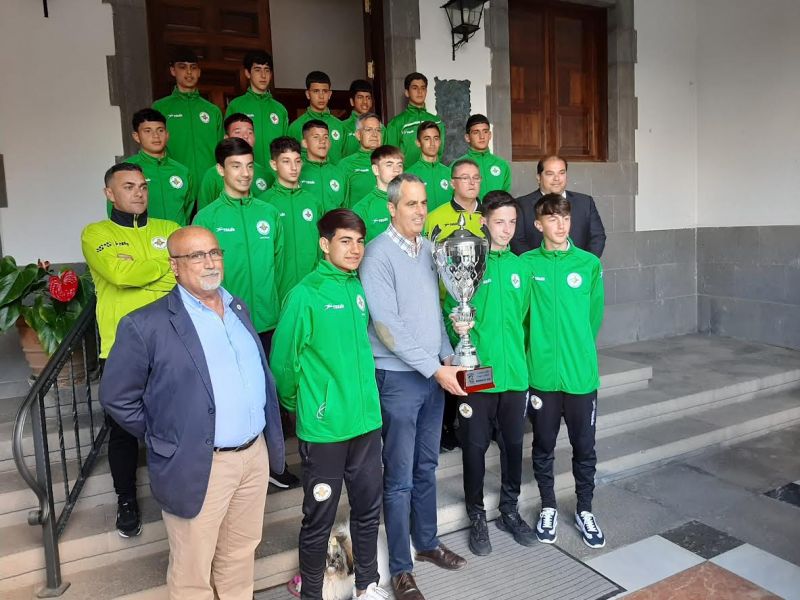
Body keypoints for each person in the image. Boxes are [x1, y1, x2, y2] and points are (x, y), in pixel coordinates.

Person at [99, 225, 286, 600]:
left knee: (240, 553)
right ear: (174, 266)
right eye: (197, 256)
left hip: (252, 456)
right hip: (199, 462)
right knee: (192, 571)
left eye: (214, 253)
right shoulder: (145, 324)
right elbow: (117, 397)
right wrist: (164, 435)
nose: (209, 262)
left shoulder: (237, 307)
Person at [359, 173, 468, 600]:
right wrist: (433, 368)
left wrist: (447, 357)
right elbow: (387, 326)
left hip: (431, 377)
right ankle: (401, 569)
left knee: (426, 468)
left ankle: (427, 544)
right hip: (398, 379)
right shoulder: (377, 254)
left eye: (423, 203)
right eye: (410, 204)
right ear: (391, 207)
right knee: (400, 477)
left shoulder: (428, 251)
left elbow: (436, 314)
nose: (420, 211)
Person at [271, 209, 387, 600]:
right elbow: (284, 364)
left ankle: (368, 585)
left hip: (366, 423)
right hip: (325, 429)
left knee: (368, 511)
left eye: (359, 241)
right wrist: (305, 404)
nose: (355, 249)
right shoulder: (305, 295)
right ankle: (313, 595)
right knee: (318, 519)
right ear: (324, 244)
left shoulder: (358, 289)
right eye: (345, 241)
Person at [81, 162, 179, 538]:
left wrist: (140, 270)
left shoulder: (169, 229)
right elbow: (119, 276)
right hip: (120, 348)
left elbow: (182, 274)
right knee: (122, 433)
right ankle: (126, 501)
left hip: (170, 342)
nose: (138, 192)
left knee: (173, 424)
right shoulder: (95, 233)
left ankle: (176, 497)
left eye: (142, 186)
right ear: (110, 193)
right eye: (128, 186)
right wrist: (162, 268)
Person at [442, 191, 536, 556]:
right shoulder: (468, 266)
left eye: (513, 222)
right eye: (500, 221)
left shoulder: (521, 268)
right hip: (478, 376)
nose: (507, 229)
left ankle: (509, 510)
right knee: (475, 448)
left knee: (514, 445)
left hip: (514, 376)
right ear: (484, 222)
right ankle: (477, 514)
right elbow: (454, 321)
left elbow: (525, 322)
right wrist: (458, 329)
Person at [520, 193, 606, 549]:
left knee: (584, 446)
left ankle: (585, 509)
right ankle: (549, 506)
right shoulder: (526, 264)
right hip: (542, 377)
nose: (560, 225)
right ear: (538, 224)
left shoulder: (588, 264)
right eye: (552, 219)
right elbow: (522, 319)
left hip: (580, 376)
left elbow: (593, 316)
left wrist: (577, 350)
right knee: (543, 446)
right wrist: (534, 357)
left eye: (565, 218)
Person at [261, 136, 323, 301]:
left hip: (312, 285)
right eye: (286, 161)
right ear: (274, 164)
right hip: (279, 289)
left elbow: (322, 245)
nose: (294, 167)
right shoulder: (264, 203)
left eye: (297, 161)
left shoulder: (313, 201)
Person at [152, 47, 223, 189]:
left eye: (193, 67)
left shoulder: (213, 111)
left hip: (209, 185)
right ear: (173, 71)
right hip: (174, 183)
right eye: (182, 67)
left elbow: (222, 151)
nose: (189, 72)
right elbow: (152, 149)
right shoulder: (160, 108)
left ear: (199, 72)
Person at [511, 155, 606, 257]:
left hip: (578, 270)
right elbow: (517, 241)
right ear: (539, 178)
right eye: (550, 174)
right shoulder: (521, 205)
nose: (556, 178)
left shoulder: (585, 202)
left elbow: (597, 237)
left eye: (561, 173)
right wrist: (537, 268)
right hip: (538, 271)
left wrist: (584, 265)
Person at [115, 108, 194, 225]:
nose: (156, 136)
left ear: (167, 135)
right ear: (136, 136)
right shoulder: (124, 170)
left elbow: (187, 210)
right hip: (141, 240)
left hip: (177, 239)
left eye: (160, 130)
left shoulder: (182, 171)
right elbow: (116, 211)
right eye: (147, 131)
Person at [197, 113, 275, 210]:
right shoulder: (212, 175)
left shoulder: (265, 174)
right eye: (238, 132)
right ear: (226, 138)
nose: (245, 136)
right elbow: (203, 213)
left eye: (250, 132)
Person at [225, 50, 289, 166]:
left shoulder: (280, 109)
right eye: (257, 70)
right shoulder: (236, 105)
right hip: (246, 174)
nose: (263, 75)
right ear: (247, 73)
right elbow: (228, 145)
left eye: (267, 70)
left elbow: (285, 148)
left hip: (275, 175)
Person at [385, 73, 445, 167]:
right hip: (406, 178)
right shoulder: (396, 123)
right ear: (407, 92)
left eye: (423, 88)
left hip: (430, 176)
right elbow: (390, 155)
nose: (420, 91)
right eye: (415, 88)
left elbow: (440, 152)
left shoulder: (437, 122)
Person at [287, 71, 345, 164]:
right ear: (307, 94)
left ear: (330, 94)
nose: (321, 96)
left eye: (325, 91)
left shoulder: (340, 126)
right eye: (316, 91)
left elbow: (345, 161)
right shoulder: (295, 127)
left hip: (335, 178)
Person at [351, 145, 403, 243]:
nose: (397, 170)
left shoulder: (413, 201)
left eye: (399, 165)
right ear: (376, 170)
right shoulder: (361, 209)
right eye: (389, 164)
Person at [425, 158, 484, 241]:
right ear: (452, 184)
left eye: (476, 178)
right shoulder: (434, 218)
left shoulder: (490, 215)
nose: (472, 182)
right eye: (465, 178)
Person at [456, 114, 511, 198]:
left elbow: (506, 198)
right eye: (476, 132)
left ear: (490, 135)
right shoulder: (457, 166)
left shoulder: (502, 165)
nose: (482, 137)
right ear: (467, 137)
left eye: (485, 132)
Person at [299, 119, 346, 212]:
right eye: (316, 137)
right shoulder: (297, 172)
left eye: (325, 137)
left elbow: (345, 207)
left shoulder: (339, 173)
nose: (322, 141)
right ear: (304, 143)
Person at [338, 112, 384, 207]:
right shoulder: (346, 164)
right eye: (368, 130)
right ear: (358, 135)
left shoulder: (391, 162)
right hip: (357, 220)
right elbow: (340, 203)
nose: (375, 134)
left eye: (378, 130)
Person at [405, 121, 451, 212]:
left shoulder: (450, 173)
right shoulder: (408, 176)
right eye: (427, 139)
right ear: (418, 143)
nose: (432, 143)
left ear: (440, 141)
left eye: (436, 138)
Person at [341, 79, 379, 158]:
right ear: (352, 101)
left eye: (368, 98)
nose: (365, 102)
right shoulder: (342, 127)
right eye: (360, 97)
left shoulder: (380, 128)